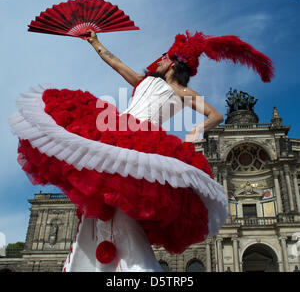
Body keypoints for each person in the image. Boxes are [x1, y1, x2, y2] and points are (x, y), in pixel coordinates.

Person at [8, 29, 274, 272]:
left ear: (172, 62)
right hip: (117, 136)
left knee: (120, 208)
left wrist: (195, 132)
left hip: (141, 145)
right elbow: (116, 63)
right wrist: (95, 42)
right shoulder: (144, 81)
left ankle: (130, 267)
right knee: (102, 205)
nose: (156, 61)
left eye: (162, 58)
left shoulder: (181, 91)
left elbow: (214, 114)